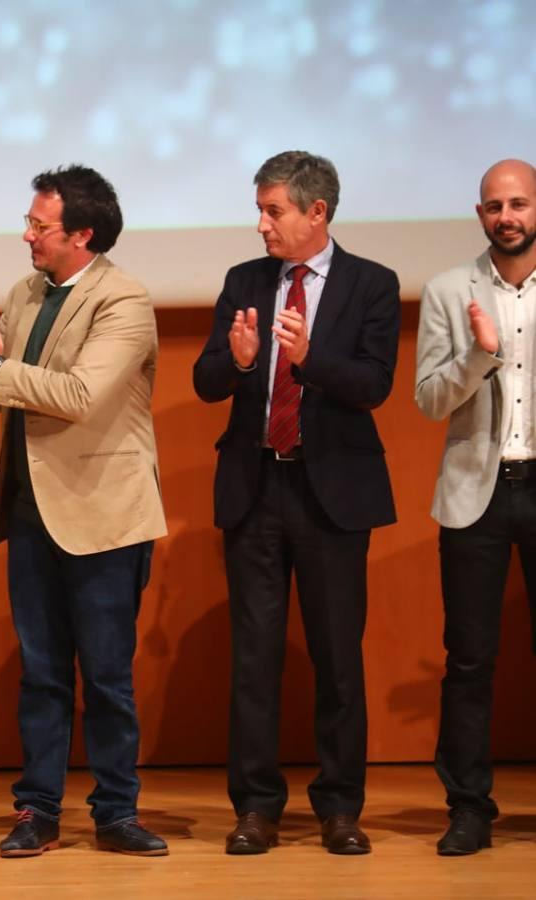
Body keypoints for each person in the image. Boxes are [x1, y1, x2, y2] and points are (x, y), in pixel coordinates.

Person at [0, 165, 169, 858]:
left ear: (82, 234)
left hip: (104, 511)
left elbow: (78, 395)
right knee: (41, 672)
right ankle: (37, 810)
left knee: (105, 673)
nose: (27, 235)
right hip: (31, 506)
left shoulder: (124, 300)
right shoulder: (25, 293)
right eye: (29, 222)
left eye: (40, 226)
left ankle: (116, 811)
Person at [192, 151, 400, 856]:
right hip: (255, 488)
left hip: (332, 492)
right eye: (259, 209)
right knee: (254, 658)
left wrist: (310, 357)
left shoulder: (373, 284)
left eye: (272, 210)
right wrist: (244, 359)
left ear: (317, 213)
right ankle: (256, 807)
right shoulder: (244, 283)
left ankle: (340, 807)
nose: (261, 225)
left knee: (338, 656)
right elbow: (207, 382)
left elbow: (374, 385)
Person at [414, 159, 536, 856]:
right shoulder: (447, 290)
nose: (506, 216)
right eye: (493, 206)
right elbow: (429, 400)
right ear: (479, 213)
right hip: (475, 492)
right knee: (469, 660)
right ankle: (468, 808)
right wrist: (478, 358)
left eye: (518, 203)